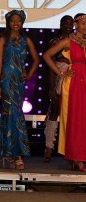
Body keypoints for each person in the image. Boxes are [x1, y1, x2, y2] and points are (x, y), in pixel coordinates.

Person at [0, 10, 39, 170]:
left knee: (12, 114)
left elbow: (37, 59)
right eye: (12, 20)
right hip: (6, 79)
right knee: (13, 113)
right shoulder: (2, 39)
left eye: (18, 21)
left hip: (19, 82)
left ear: (22, 23)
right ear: (8, 22)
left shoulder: (26, 40)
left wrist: (29, 74)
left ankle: (7, 154)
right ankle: (16, 155)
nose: (15, 23)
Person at [43, 13, 86, 172]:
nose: (85, 26)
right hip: (73, 83)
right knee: (74, 120)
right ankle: (76, 157)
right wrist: (61, 73)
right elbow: (47, 56)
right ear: (76, 25)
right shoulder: (68, 41)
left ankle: (80, 156)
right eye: (82, 23)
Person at [43, 15, 73, 162]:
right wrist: (51, 87)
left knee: (73, 113)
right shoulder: (55, 41)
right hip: (60, 75)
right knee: (54, 111)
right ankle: (49, 147)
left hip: (75, 76)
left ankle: (71, 150)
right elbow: (49, 66)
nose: (68, 26)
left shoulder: (78, 40)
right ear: (60, 24)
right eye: (65, 23)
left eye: (70, 23)